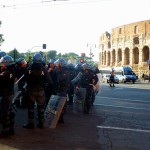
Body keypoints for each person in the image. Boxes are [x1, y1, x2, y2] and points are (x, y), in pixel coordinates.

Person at [22, 53, 53, 129]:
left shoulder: (29, 68)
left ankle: (31, 124)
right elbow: (50, 81)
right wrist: (45, 86)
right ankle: (41, 123)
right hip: (41, 90)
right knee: (41, 107)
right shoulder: (44, 69)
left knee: (31, 107)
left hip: (31, 90)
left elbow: (24, 79)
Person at [0, 55, 15, 138]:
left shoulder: (5, 73)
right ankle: (11, 129)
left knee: (4, 112)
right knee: (10, 111)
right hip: (10, 93)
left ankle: (5, 131)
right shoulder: (12, 71)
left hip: (5, 94)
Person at [54, 58, 69, 123]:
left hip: (62, 89)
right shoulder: (61, 70)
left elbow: (60, 79)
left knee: (60, 104)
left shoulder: (62, 71)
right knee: (61, 103)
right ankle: (60, 118)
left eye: (58, 63)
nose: (56, 64)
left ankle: (60, 118)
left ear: (61, 64)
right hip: (61, 89)